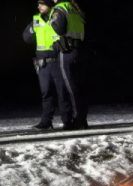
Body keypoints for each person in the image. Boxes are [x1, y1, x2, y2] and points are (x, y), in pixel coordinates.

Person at [22, 0, 73, 130]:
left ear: (50, 5)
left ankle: (68, 121)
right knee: (46, 94)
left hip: (57, 60)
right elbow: (26, 38)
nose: (38, 6)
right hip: (42, 64)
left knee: (62, 93)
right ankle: (46, 122)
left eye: (42, 4)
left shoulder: (56, 18)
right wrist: (32, 29)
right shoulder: (36, 19)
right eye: (38, 4)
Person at [50, 0, 87, 129]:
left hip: (67, 51)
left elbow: (59, 29)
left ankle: (77, 120)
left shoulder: (59, 8)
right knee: (78, 86)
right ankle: (82, 119)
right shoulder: (74, 7)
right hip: (78, 50)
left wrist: (51, 22)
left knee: (70, 88)